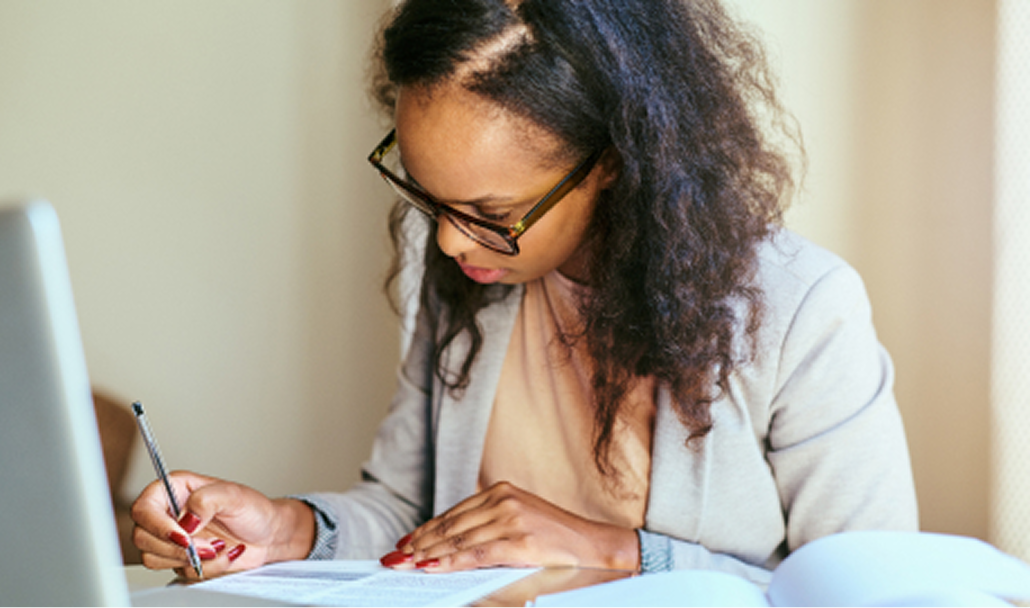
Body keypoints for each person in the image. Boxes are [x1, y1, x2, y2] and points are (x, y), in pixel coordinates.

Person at [131, 0, 917, 586]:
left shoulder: (803, 311)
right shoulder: (474, 276)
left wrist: (616, 556)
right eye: (430, 199)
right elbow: (410, 514)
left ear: (614, 157)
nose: (447, 242)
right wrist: (287, 529)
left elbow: (878, 593)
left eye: (489, 215)